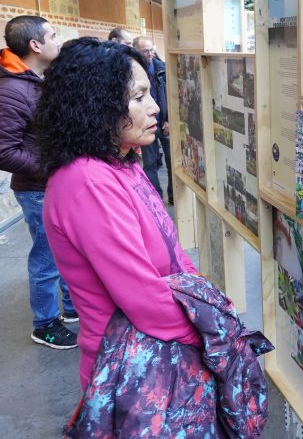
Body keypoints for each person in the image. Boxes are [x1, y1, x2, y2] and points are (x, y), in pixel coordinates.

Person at [35, 38, 201, 390]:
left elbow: (173, 254)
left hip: (162, 356)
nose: (155, 107)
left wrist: (205, 304)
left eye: (150, 94)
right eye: (139, 97)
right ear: (96, 104)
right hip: (134, 376)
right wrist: (208, 334)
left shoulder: (123, 163)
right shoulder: (87, 182)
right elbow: (143, 297)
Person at [0, 15, 77, 349]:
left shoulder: (35, 80)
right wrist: (49, 168)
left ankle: (72, 309)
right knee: (47, 259)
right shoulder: (13, 89)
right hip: (37, 190)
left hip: (52, 185)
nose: (57, 41)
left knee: (67, 252)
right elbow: (4, 150)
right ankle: (44, 323)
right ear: (35, 45)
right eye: (53, 35)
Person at [133, 35, 173, 204]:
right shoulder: (133, 72)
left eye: (151, 50)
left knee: (172, 160)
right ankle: (156, 199)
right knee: (150, 164)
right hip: (147, 123)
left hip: (165, 123)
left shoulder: (162, 69)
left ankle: (174, 195)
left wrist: (169, 120)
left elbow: (172, 96)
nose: (149, 54)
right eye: (145, 51)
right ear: (136, 51)